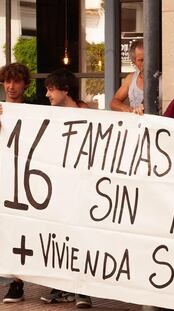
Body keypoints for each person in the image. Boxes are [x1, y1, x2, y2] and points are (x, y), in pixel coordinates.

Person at [39, 69, 92, 309]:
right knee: (61, 236)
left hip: (83, 188)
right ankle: (64, 286)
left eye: (51, 88)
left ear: (65, 90)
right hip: (58, 187)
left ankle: (83, 290)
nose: (47, 93)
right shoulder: (48, 116)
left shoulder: (88, 115)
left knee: (82, 236)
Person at [0, 62, 31, 303]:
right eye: (7, 82)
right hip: (3, 177)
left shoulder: (35, 112)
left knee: (22, 230)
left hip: (24, 181)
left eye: (16, 82)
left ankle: (17, 283)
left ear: (25, 84)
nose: (11, 87)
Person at [110, 38, 144, 113]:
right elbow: (114, 102)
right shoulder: (131, 78)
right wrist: (127, 109)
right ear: (134, 61)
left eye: (147, 59)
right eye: (141, 60)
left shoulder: (160, 79)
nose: (145, 63)